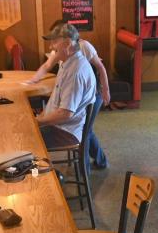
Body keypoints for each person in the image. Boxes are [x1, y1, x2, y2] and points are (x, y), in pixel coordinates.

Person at [28, 20, 109, 168]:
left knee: (27, 138)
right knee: (26, 132)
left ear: (67, 43)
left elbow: (65, 114)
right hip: (64, 126)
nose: (51, 46)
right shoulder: (69, 62)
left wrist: (38, 121)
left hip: (66, 131)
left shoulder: (75, 72)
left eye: (54, 42)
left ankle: (42, 182)